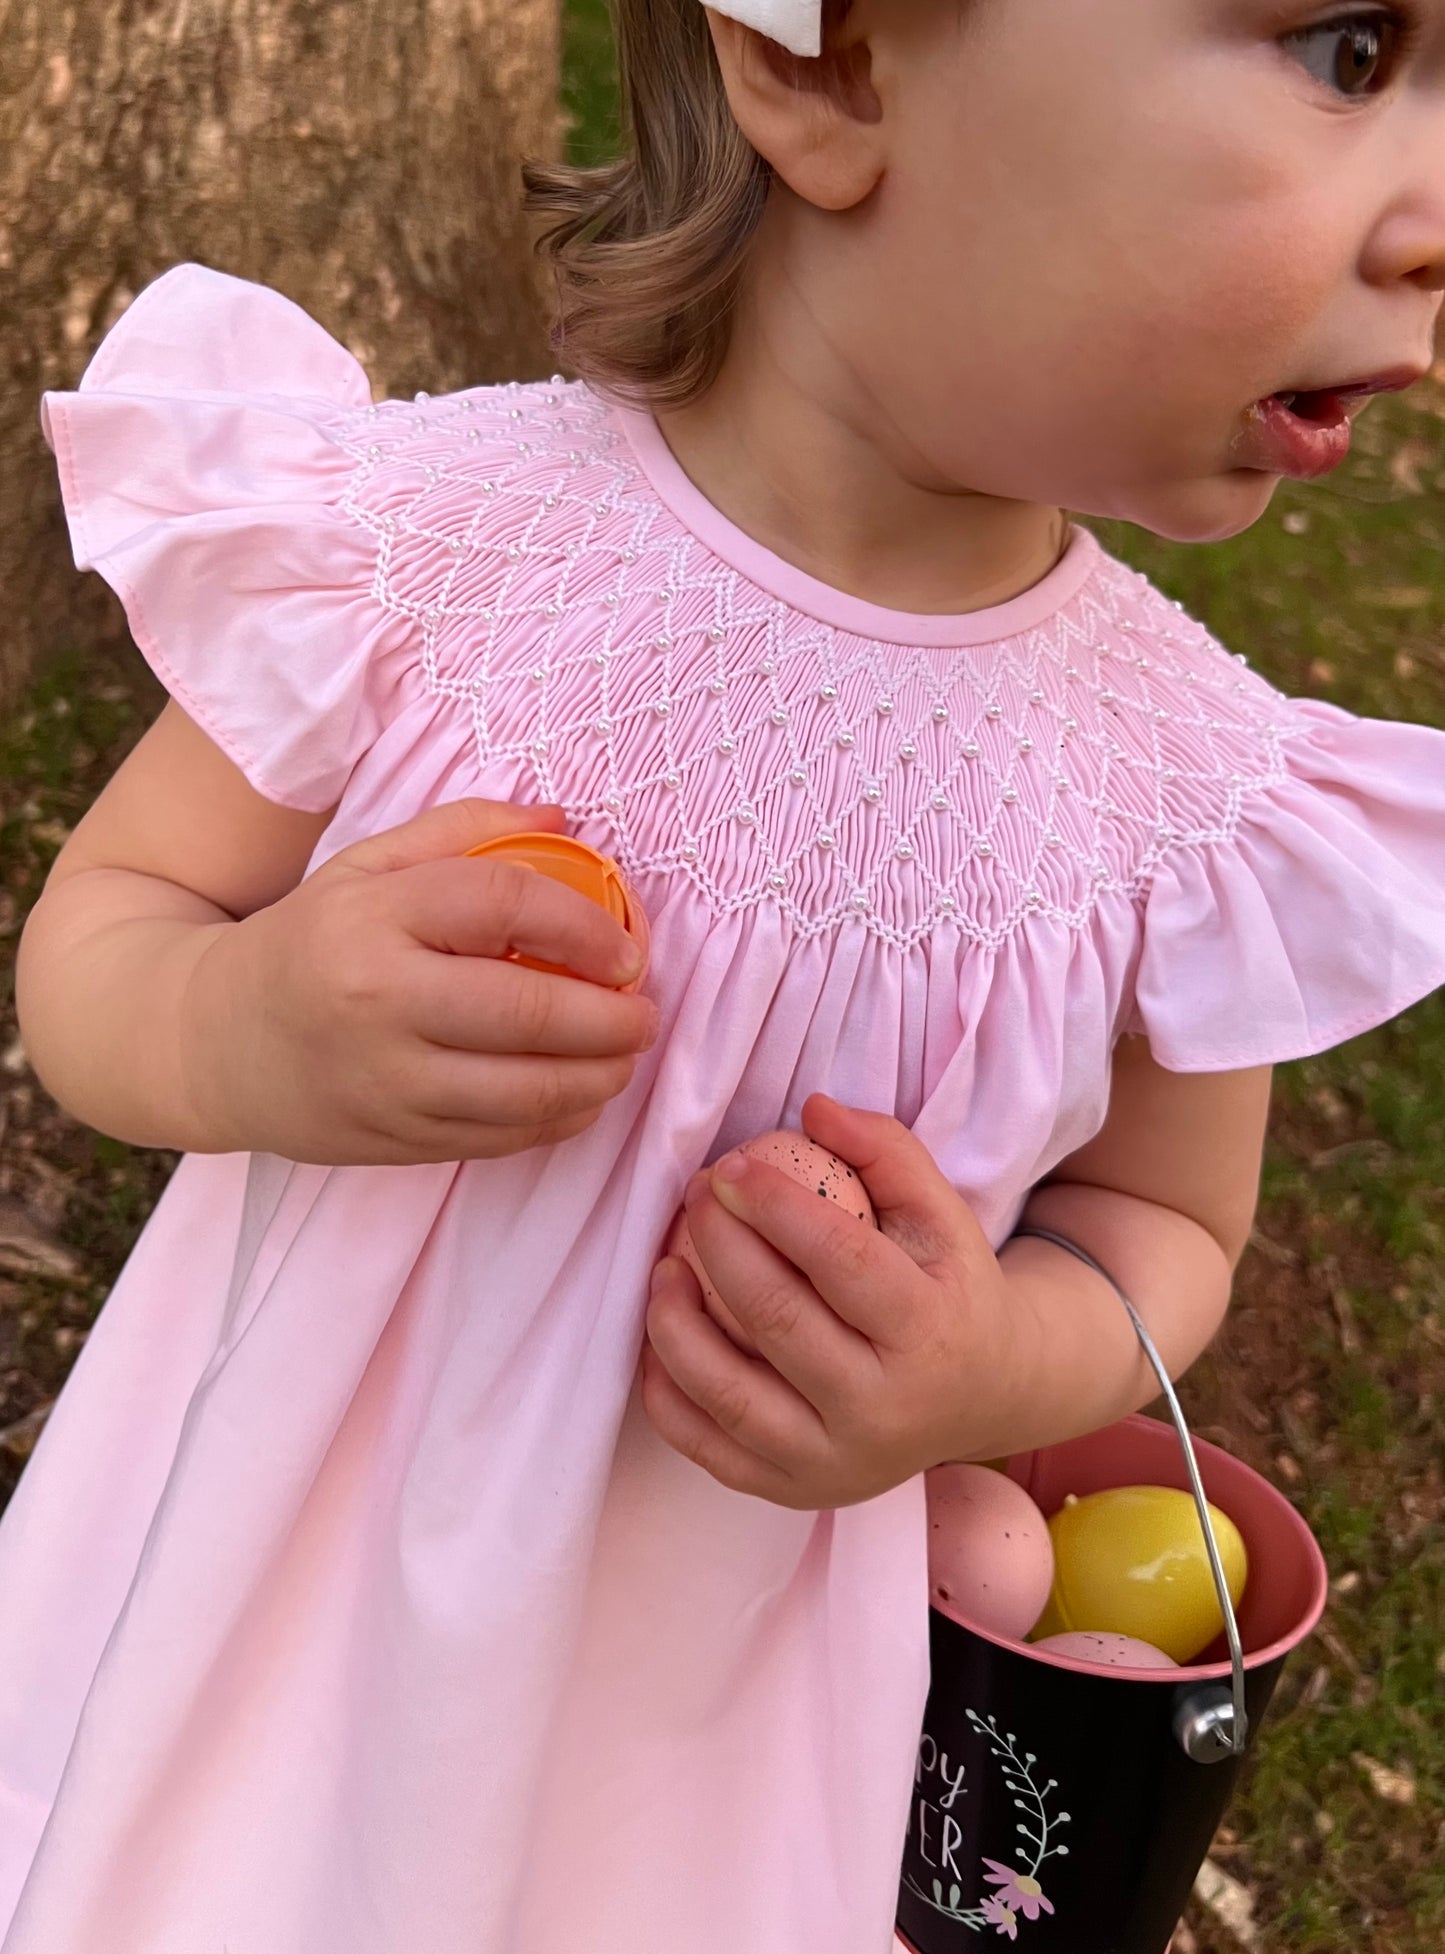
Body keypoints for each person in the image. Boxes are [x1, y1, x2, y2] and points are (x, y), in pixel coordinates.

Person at [3, 0, 1443, 1948]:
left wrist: (981, 1365)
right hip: (278, 1621)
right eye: (1350, 55)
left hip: (705, 1717)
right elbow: (98, 943)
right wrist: (251, 1021)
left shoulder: (1178, 799)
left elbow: (1164, 1225)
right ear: (833, 70)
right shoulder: (441, 563)